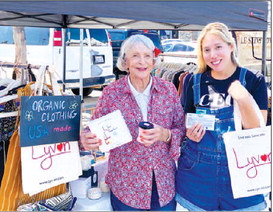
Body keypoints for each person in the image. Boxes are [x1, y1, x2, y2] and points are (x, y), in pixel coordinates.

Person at [80, 34, 186, 211]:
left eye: (147, 56)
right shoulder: (112, 93)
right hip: (126, 185)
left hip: (163, 183)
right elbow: (93, 129)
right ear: (125, 61)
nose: (142, 61)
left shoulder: (167, 89)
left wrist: (164, 134)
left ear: (153, 61)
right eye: (135, 55)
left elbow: (181, 130)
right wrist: (86, 139)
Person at [175, 22, 268, 211]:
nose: (213, 55)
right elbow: (186, 121)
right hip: (198, 174)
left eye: (218, 47)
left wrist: (243, 98)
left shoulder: (253, 80)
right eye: (206, 50)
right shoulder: (193, 81)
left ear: (231, 46)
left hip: (242, 173)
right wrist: (190, 133)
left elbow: (258, 129)